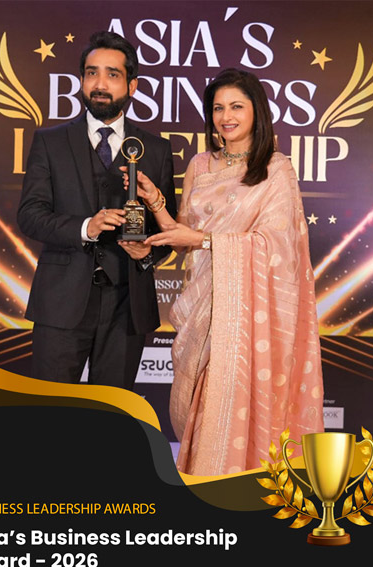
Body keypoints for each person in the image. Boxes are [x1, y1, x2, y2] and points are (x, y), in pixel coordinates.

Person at [125, 68, 324, 476]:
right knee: (196, 409)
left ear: (256, 111)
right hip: (201, 309)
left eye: (236, 107)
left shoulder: (276, 169)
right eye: (218, 108)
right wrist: (156, 202)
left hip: (248, 318)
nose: (225, 117)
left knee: (232, 400)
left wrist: (205, 240)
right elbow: (183, 235)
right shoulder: (201, 164)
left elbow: (278, 246)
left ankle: (236, 486)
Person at [17, 31, 176, 389]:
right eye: (92, 73)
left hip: (127, 307)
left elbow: (167, 231)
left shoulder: (155, 149)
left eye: (112, 74)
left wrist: (149, 251)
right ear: (81, 80)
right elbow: (30, 215)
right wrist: (86, 227)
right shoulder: (50, 142)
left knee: (111, 415)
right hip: (60, 303)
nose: (100, 84)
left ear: (132, 86)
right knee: (49, 410)